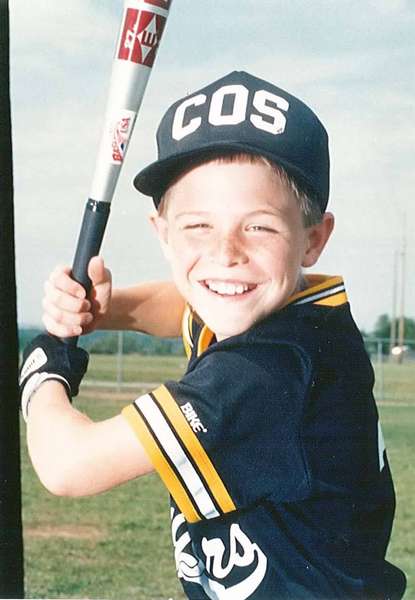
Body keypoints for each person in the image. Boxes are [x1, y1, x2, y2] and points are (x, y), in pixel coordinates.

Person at [20, 71, 406, 599]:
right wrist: (104, 310)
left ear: (313, 238)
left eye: (259, 226)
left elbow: (68, 465)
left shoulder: (258, 376)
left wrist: (43, 364)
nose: (226, 254)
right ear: (163, 233)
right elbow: (190, 302)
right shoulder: (303, 320)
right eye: (198, 226)